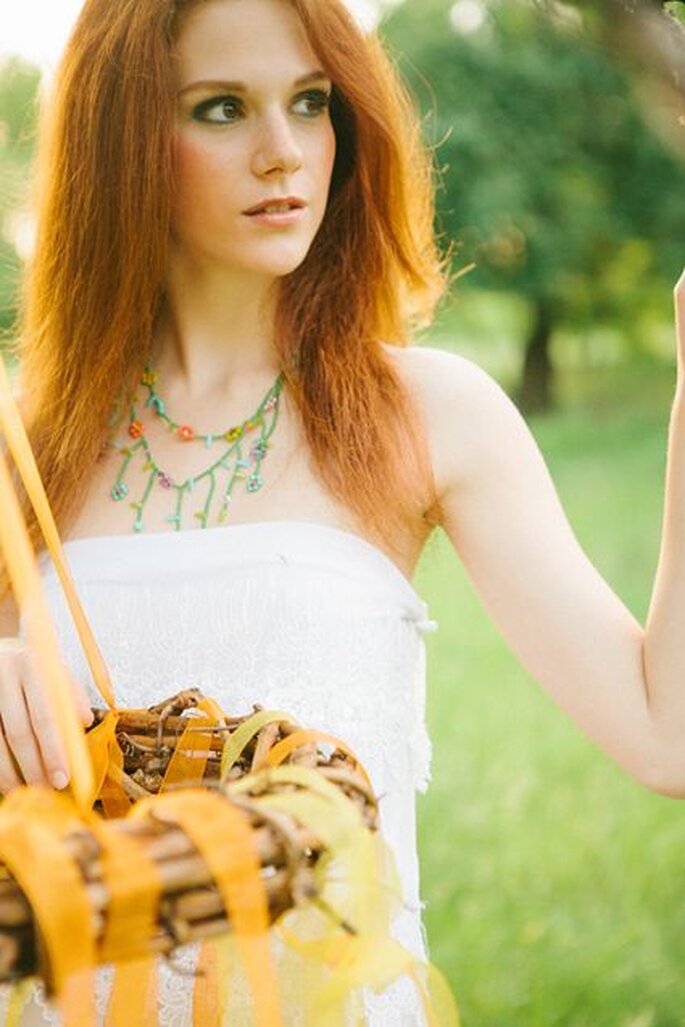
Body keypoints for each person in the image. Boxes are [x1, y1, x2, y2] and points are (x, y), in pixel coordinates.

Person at [0, 0, 683, 1023]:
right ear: (124, 137)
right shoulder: (22, 444)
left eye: (309, 102)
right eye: (221, 108)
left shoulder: (430, 411)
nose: (284, 152)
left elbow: (662, 734)